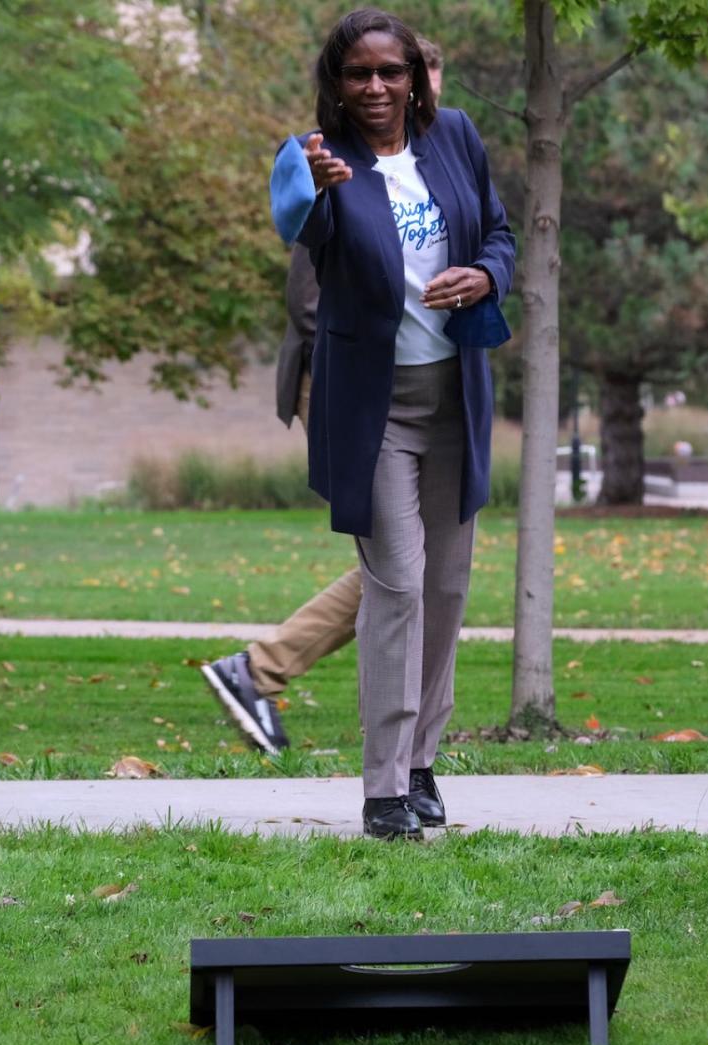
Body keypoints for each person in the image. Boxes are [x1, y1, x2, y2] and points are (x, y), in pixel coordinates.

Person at [281, 10, 513, 839]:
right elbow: (306, 236)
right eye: (358, 75)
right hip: (374, 409)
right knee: (399, 585)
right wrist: (313, 192)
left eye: (390, 72)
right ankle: (383, 788)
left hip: (455, 399)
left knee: (448, 589)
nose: (375, 88)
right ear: (336, 83)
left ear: (414, 76)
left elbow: (499, 233)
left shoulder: (454, 137)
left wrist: (485, 276)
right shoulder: (322, 160)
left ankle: (421, 762)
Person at [201, 37, 446, 756]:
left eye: (407, 80)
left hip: (413, 383)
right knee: (400, 562)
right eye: (377, 78)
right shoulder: (340, 163)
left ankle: (261, 669)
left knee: (414, 563)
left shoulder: (430, 164)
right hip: (346, 382)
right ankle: (257, 667)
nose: (395, 95)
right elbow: (313, 294)